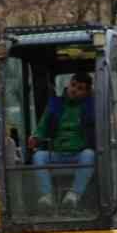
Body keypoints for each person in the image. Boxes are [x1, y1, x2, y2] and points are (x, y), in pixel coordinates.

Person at [28, 72, 96, 206]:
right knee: (38, 156)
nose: (74, 90)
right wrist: (36, 137)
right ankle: (47, 195)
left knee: (89, 155)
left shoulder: (91, 108)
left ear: (87, 93)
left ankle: (74, 195)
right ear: (69, 84)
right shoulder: (55, 104)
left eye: (80, 88)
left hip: (78, 155)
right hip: (57, 154)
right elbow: (43, 126)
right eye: (73, 85)